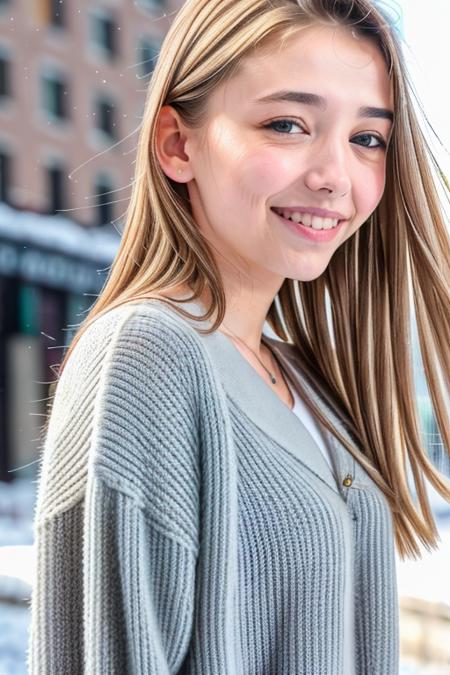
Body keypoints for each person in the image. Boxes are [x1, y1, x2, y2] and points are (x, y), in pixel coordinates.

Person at [28, 0, 450, 673]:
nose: (335, 175)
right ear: (177, 144)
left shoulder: (303, 381)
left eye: (367, 138)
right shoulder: (147, 355)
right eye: (287, 124)